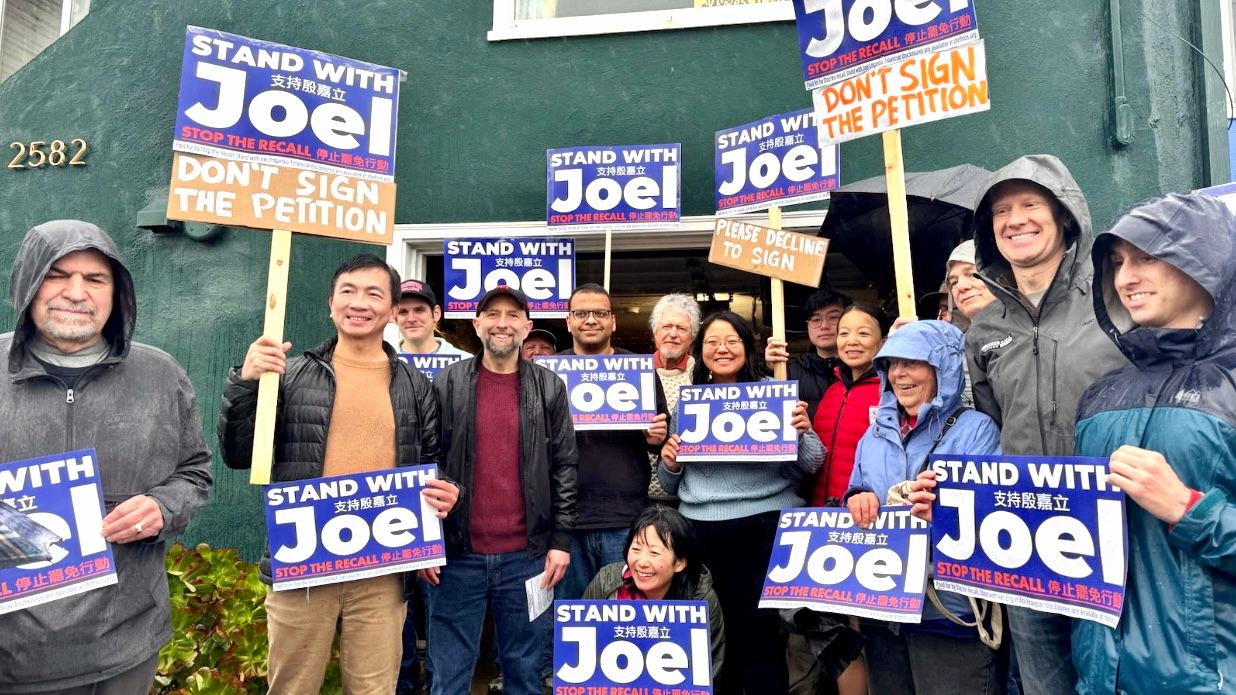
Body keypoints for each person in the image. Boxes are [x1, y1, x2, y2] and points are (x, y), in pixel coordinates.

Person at [219, 254, 457, 694]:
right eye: (348, 291)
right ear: (330, 304)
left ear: (390, 311)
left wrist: (444, 494)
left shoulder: (414, 385)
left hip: (383, 570)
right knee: (292, 688)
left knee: (374, 689)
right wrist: (246, 382)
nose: (359, 303)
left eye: (373, 294)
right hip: (303, 565)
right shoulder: (288, 375)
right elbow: (238, 454)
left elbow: (432, 461)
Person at [0, 220, 212, 692]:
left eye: (95, 279)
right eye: (57, 275)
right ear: (27, 283)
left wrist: (163, 506)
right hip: (13, 655)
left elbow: (195, 473)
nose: (77, 292)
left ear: (117, 294)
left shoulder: (161, 374)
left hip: (124, 644)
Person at [964, 154, 1128, 695]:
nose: (1015, 220)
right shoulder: (983, 328)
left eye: (1031, 204)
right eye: (1001, 211)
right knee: (1042, 683)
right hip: (1026, 539)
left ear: (1063, 216)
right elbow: (989, 422)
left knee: (1115, 679)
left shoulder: (1117, 299)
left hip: (1117, 531)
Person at [1068, 193, 1236, 694]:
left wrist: (1188, 510)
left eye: (1147, 257)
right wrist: (955, 513)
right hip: (1101, 677)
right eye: (1118, 263)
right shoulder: (1100, 395)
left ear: (1205, 261)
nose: (1125, 278)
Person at [657, 311, 824, 695]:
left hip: (767, 530)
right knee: (714, 639)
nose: (722, 348)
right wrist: (670, 460)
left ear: (747, 348)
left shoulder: (776, 391)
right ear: (700, 352)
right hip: (702, 532)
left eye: (732, 340)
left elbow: (811, 463)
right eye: (712, 342)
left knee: (763, 640)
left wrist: (803, 430)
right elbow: (672, 480)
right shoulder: (689, 403)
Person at [428, 286, 578, 695]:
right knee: (448, 676)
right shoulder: (448, 383)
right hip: (457, 556)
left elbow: (565, 466)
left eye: (513, 315)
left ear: (527, 327)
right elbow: (426, 461)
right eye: (492, 314)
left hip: (526, 559)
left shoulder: (549, 387)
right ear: (476, 326)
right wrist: (425, 543)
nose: (502, 323)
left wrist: (560, 541)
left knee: (525, 674)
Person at [845, 320, 1003, 695]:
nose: (899, 374)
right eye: (892, 364)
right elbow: (856, 488)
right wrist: (857, 499)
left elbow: (996, 516)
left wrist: (944, 513)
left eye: (913, 362)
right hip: (882, 606)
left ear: (943, 369)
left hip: (948, 610)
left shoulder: (977, 429)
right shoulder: (875, 432)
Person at [555, 283, 668, 602]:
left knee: (622, 614)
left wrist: (657, 437)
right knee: (569, 617)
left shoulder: (640, 370)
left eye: (600, 313)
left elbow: (663, 437)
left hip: (625, 518)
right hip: (565, 520)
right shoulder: (549, 373)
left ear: (613, 321)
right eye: (581, 313)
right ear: (569, 322)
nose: (591, 320)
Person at [583, 505, 725, 681]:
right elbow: (580, 657)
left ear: (680, 563)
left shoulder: (702, 599)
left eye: (654, 553)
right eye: (636, 549)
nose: (642, 562)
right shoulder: (606, 582)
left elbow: (710, 673)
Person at [806, 303, 892, 508]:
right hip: (822, 514)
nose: (851, 341)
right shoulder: (832, 391)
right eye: (844, 333)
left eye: (863, 333)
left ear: (883, 341)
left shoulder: (891, 393)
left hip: (868, 512)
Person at [646, 292, 701, 505]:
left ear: (693, 336)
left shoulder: (703, 377)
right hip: (638, 494)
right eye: (667, 326)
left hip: (686, 495)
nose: (673, 334)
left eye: (682, 328)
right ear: (655, 331)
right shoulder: (634, 373)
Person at [765, 289, 853, 420]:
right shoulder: (788, 373)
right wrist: (768, 369)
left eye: (833, 317)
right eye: (816, 319)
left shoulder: (865, 369)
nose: (824, 326)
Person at [394, 278, 471, 356]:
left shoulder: (465, 362)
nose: (411, 319)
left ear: (436, 313)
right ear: (394, 316)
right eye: (403, 312)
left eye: (419, 310)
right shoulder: (383, 360)